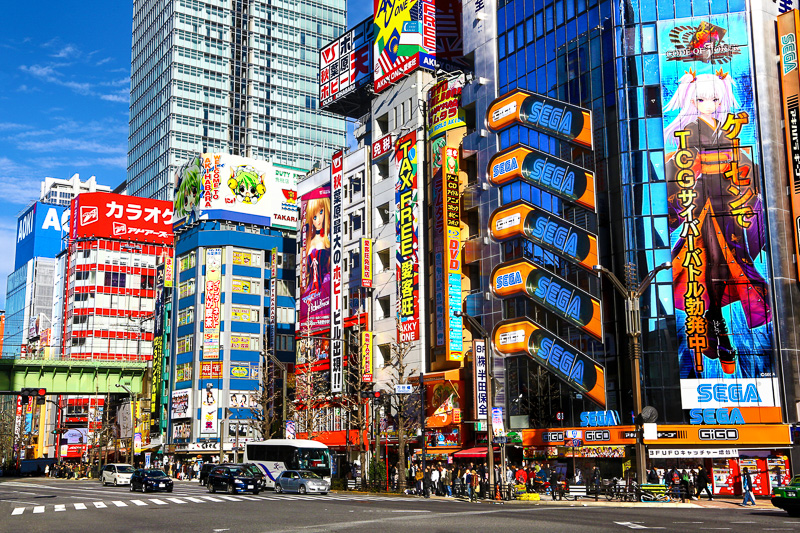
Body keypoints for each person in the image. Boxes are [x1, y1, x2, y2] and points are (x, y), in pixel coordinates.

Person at [664, 70, 768, 375]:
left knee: (729, 266)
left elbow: (742, 162)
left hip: (727, 206)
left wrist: (755, 179)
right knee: (710, 266)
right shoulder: (692, 129)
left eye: (714, 99)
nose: (708, 104)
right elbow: (676, 167)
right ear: (691, 101)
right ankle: (717, 324)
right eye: (701, 99)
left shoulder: (724, 130)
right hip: (703, 209)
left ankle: (716, 321)